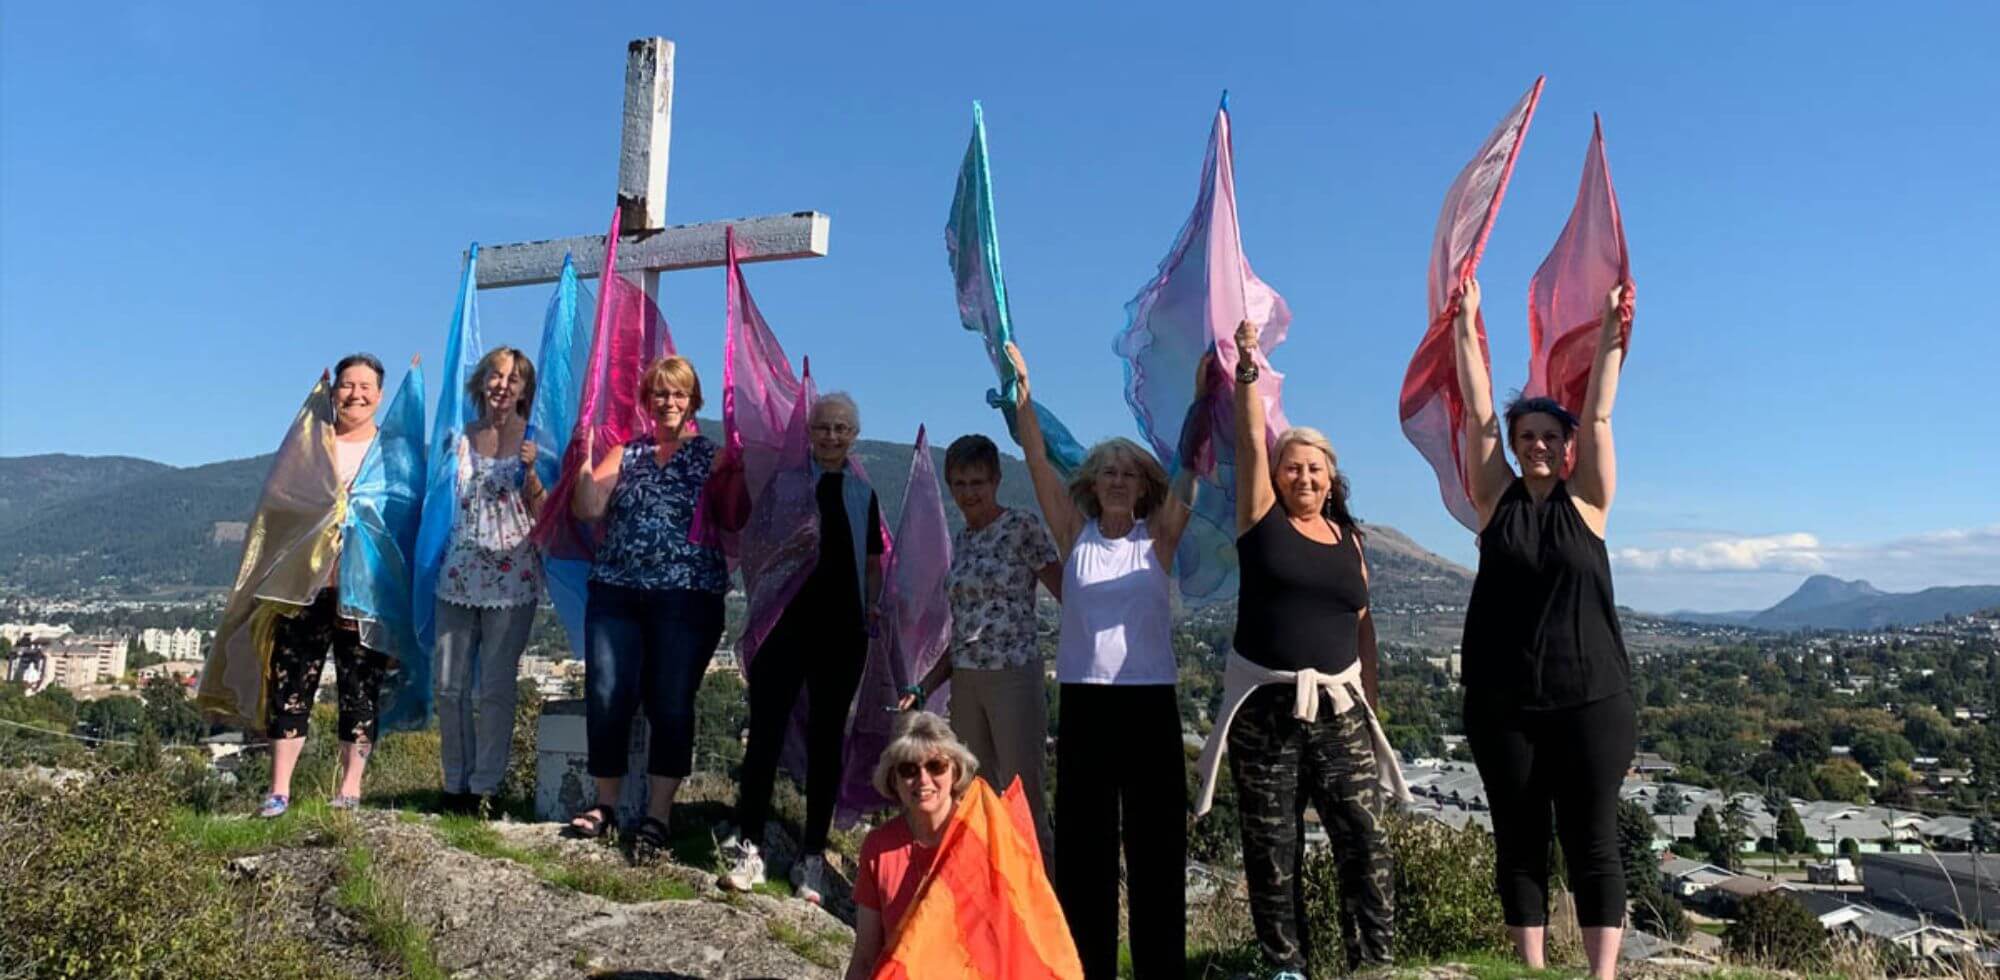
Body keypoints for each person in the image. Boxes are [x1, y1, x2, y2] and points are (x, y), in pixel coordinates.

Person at [1192, 320, 1408, 977]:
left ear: (1331, 476)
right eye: (1293, 466)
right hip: (1266, 711)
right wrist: (1249, 370)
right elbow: (1251, 448)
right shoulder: (1260, 520)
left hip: (1340, 710)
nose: (1303, 475)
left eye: (1314, 467)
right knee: (1272, 843)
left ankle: (1372, 958)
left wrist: (1370, 702)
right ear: (1279, 476)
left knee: (1363, 837)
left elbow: (1363, 624)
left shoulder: (1352, 542)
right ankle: (1286, 965)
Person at [1454, 281, 1635, 979]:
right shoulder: (1492, 500)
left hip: (1592, 698)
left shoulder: (1588, 501)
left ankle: (1600, 976)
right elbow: (1475, 414)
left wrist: (1614, 332)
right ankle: (1529, 972)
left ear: (1564, 449)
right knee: (1520, 838)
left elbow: (1602, 415)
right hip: (1502, 703)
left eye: (1547, 437)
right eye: (1525, 435)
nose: (1535, 444)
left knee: (1593, 840)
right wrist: (1468, 323)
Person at [1004, 340, 1194, 980]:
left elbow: (1190, 466)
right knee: (1086, 850)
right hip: (1085, 700)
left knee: (1156, 848)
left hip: (1149, 700)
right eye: (1107, 470)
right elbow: (1034, 460)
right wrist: (1022, 391)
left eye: (1128, 472)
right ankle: (1087, 968)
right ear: (1092, 482)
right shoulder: (1072, 533)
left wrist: (1203, 396)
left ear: (1144, 487)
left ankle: (1161, 968)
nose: (1117, 479)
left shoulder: (1159, 538)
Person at [719, 392, 885, 905]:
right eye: (823, 428)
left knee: (826, 742)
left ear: (854, 435)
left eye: (842, 429)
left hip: (842, 633)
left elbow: (873, 561)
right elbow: (759, 545)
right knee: (765, 735)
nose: (832, 436)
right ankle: (750, 846)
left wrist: (871, 609)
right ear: (809, 433)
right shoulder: (787, 485)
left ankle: (812, 855)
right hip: (784, 630)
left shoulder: (863, 492)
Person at [565, 356, 729, 854]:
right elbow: (590, 509)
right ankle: (606, 804)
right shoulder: (626, 452)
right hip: (617, 589)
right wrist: (585, 463)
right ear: (646, 401)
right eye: (660, 393)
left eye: (679, 393)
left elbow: (736, 514)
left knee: (670, 699)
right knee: (607, 690)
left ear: (694, 400)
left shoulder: (714, 456)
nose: (669, 402)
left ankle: (658, 815)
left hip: (687, 594)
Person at [899, 434, 1062, 859]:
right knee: (974, 793)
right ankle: (988, 898)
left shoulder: (1021, 527)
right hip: (967, 681)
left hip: (1013, 674)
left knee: (1022, 796)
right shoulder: (965, 539)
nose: (968, 492)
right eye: (959, 483)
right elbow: (965, 628)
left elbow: (1067, 594)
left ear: (996, 480)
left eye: (978, 482)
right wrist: (926, 684)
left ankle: (1042, 907)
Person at [254, 354, 403, 818]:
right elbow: (278, 505)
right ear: (332, 391)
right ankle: (279, 789)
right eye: (346, 384)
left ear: (380, 396)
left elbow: (404, 515)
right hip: (305, 586)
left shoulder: (392, 455)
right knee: (291, 681)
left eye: (365, 386)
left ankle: (350, 789)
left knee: (361, 688)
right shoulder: (309, 447)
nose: (355, 394)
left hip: (367, 592)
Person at [433, 347, 546, 815]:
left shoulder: (536, 441)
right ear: (482, 382)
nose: (503, 385)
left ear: (525, 390)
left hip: (512, 578)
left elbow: (547, 514)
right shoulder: (461, 437)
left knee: (497, 688)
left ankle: (486, 786)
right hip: (457, 575)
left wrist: (533, 471)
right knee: (448, 685)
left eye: (514, 379)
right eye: (496, 376)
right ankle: (454, 783)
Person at [843, 711, 981, 980]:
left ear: (955, 770)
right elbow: (865, 957)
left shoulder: (982, 838)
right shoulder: (879, 848)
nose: (923, 779)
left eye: (936, 766)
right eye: (908, 769)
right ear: (893, 778)